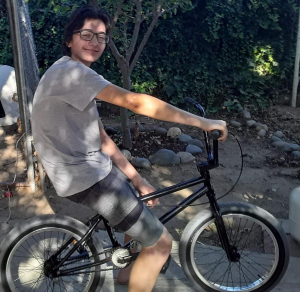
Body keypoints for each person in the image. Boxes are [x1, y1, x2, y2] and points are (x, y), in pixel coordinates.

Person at [31, 5, 228, 292]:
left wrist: (138, 179)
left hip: (92, 168)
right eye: (87, 34)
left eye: (101, 37)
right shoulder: (71, 74)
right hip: (85, 178)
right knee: (161, 244)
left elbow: (101, 138)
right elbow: (136, 103)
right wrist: (202, 122)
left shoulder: (74, 77)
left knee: (142, 205)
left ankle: (128, 273)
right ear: (69, 40)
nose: (95, 42)